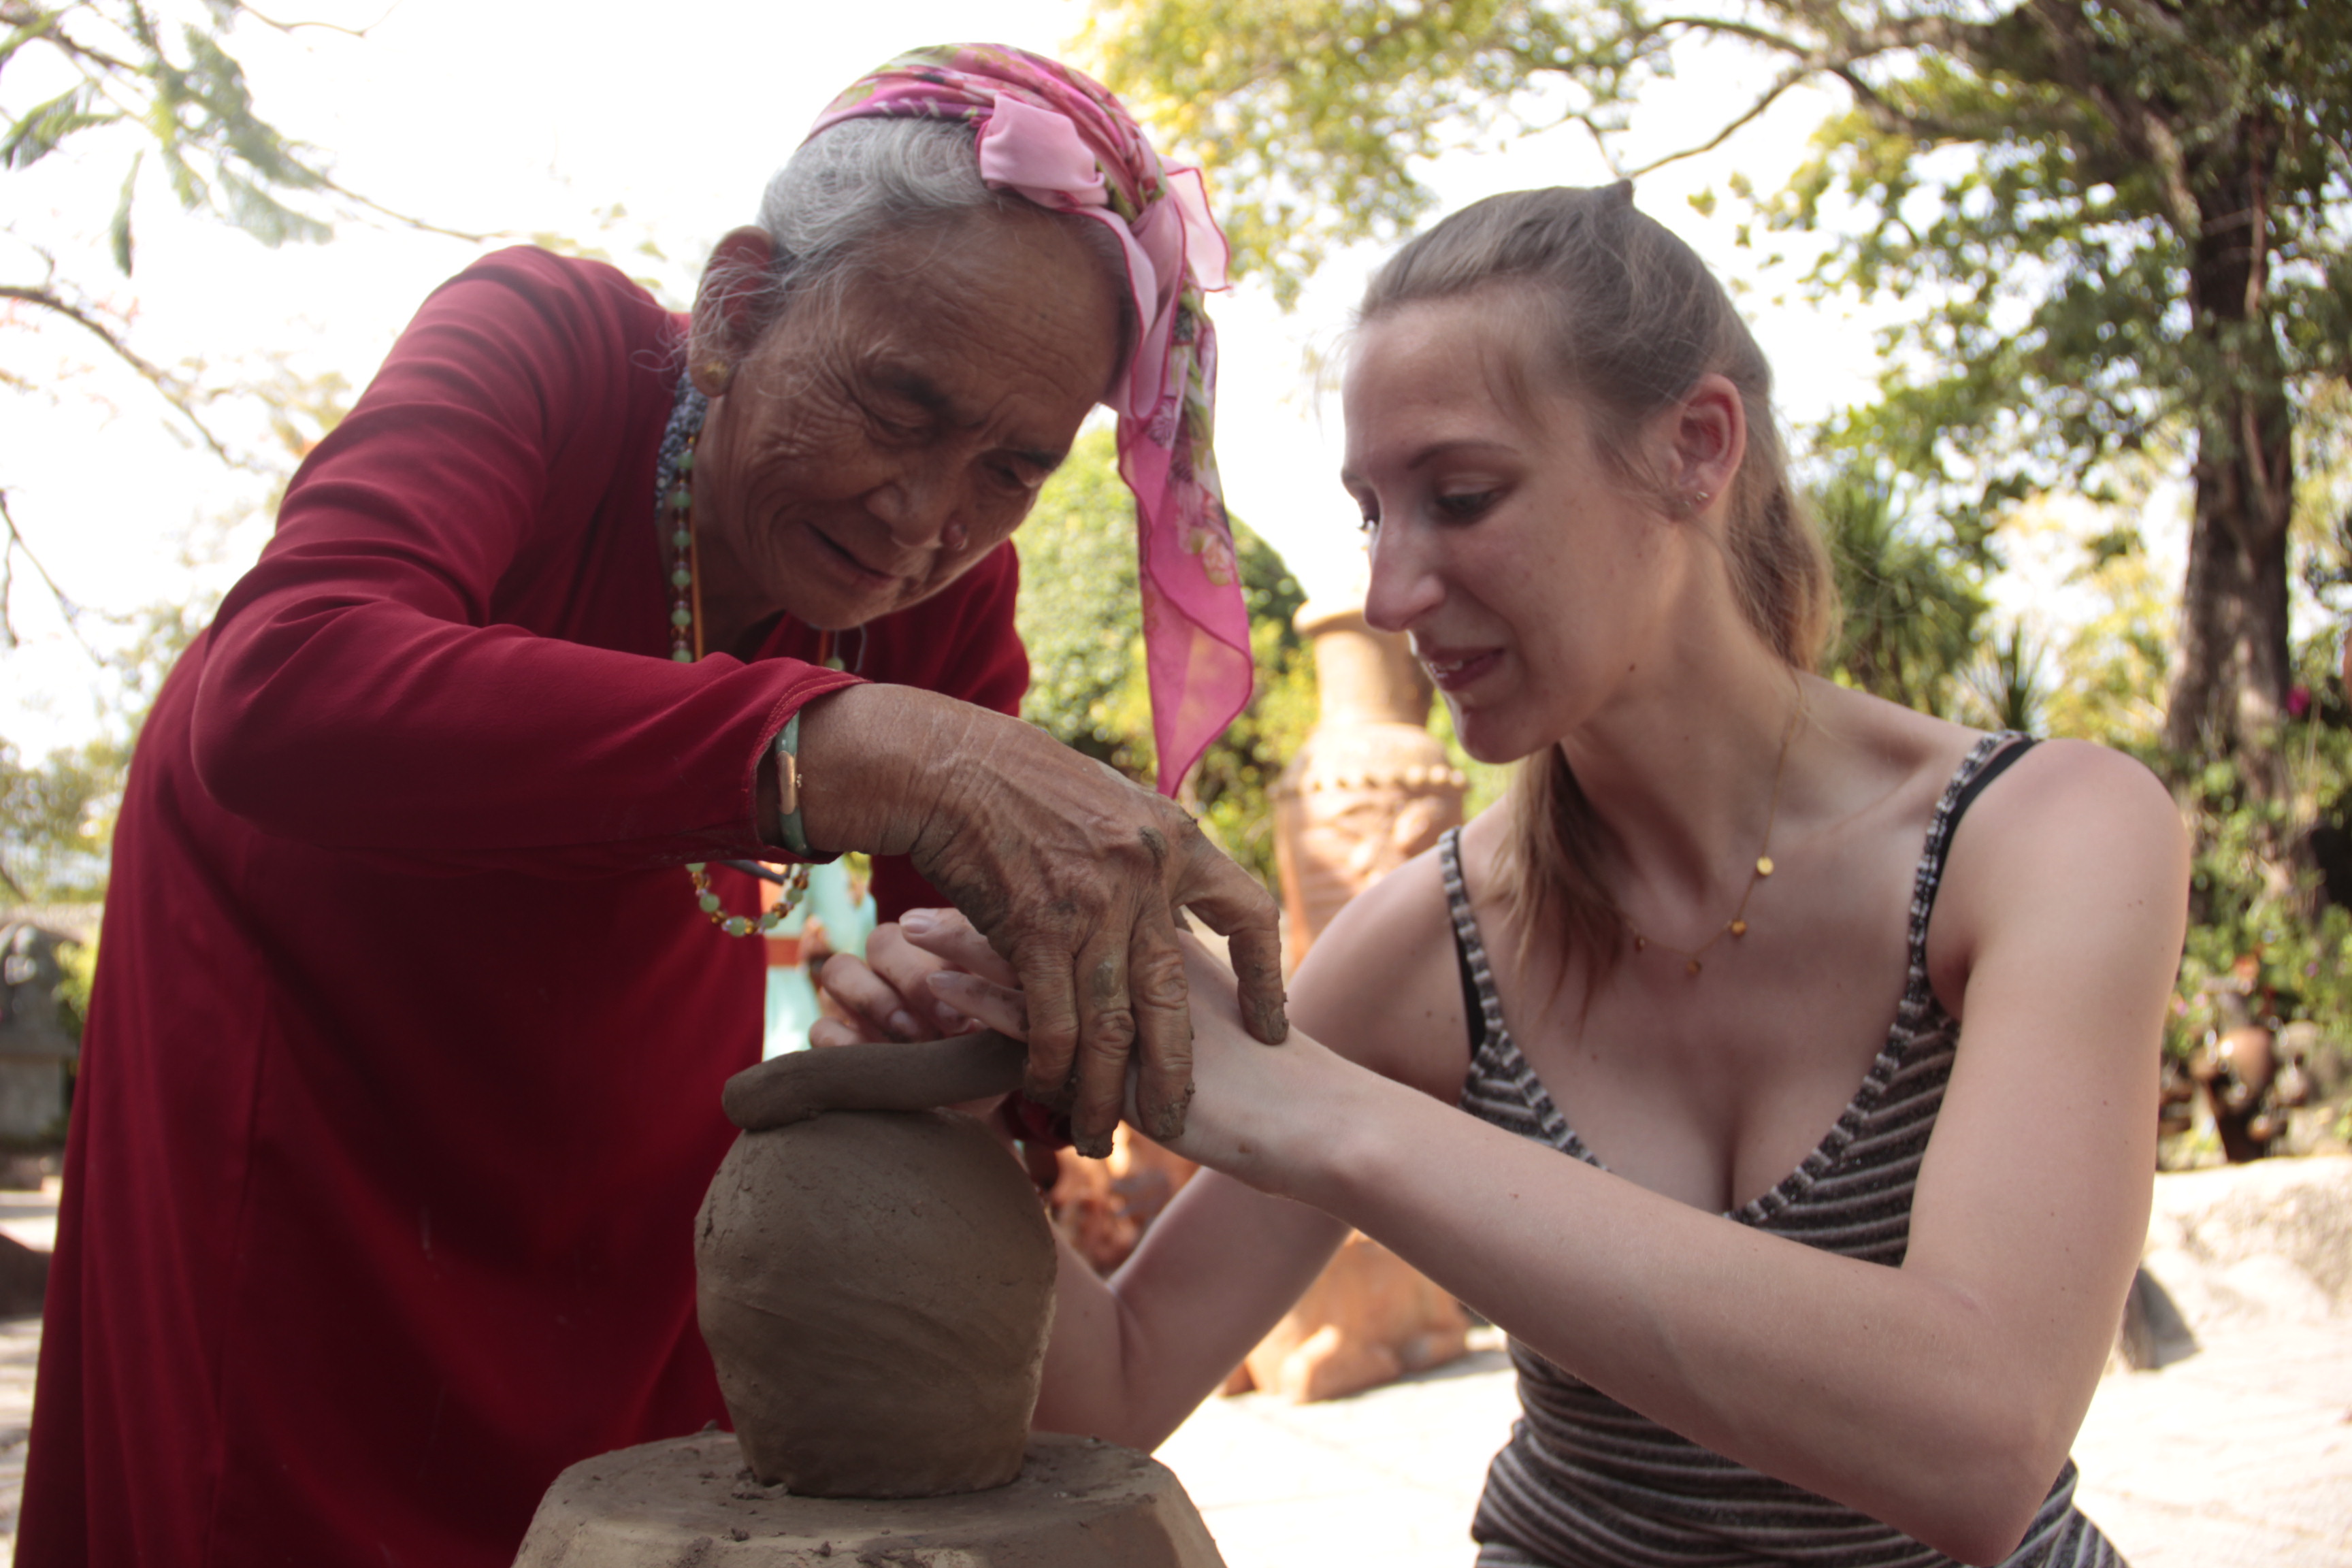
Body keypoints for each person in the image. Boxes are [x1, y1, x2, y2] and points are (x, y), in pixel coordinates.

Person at [18, 45, 1288, 1568]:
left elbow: (963, 994)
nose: (924, 516)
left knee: (639, 1500)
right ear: (740, 309)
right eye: (898, 405)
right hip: (310, 1090)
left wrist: (999, 1008)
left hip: (633, 1147)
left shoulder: (942, 597)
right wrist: (857, 745)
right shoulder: (548, 347)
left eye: (1011, 467)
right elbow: (285, 684)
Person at [870, 184, 2189, 1567]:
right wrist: (949, 1128)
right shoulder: (1435, 944)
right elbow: (1121, 1390)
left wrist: (1323, 1114)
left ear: (1695, 447)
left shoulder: (2040, 837)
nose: (1391, 593)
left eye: (1462, 498)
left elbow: (1981, 1444)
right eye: (1374, 515)